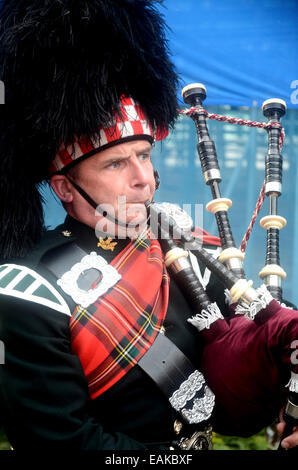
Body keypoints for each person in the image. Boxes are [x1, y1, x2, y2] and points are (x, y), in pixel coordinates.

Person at [0, 0, 297, 451]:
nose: (143, 178)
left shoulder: (178, 240)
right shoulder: (26, 286)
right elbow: (63, 440)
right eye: (117, 163)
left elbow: (259, 320)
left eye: (144, 154)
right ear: (64, 188)